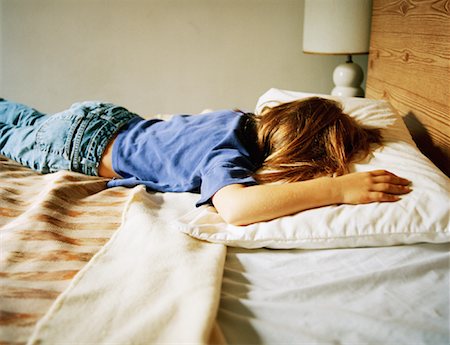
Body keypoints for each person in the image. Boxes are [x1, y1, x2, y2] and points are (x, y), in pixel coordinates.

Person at [0, 97, 411, 225]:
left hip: (105, 117)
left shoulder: (240, 121)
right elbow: (236, 208)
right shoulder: (227, 155)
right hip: (75, 145)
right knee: (10, 135)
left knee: (22, 119)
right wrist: (338, 188)